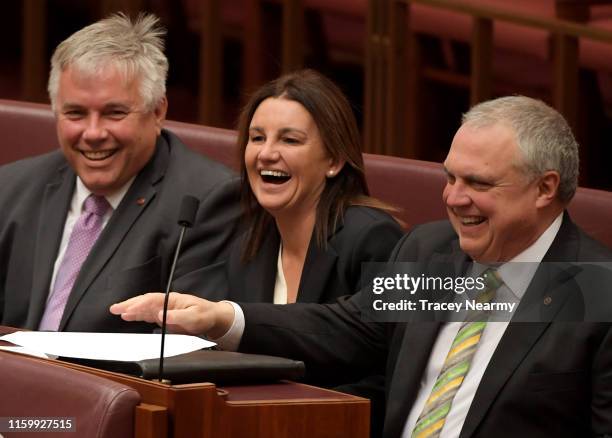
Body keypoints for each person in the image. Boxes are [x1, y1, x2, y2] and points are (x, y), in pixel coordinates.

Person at [112, 95, 612, 437]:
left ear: (545, 188)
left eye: (478, 184)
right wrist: (223, 317)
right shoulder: (435, 252)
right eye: (450, 177)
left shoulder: (595, 290)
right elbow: (353, 328)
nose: (454, 199)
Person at [0, 13, 241, 333]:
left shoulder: (206, 201)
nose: (93, 132)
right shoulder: (12, 187)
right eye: (76, 113)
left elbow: (179, 349)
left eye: (114, 113)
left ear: (157, 112)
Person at [224, 69, 403, 306]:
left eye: (290, 140)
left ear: (334, 160)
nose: (266, 154)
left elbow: (377, 337)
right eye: (257, 138)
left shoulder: (373, 240)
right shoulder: (247, 249)